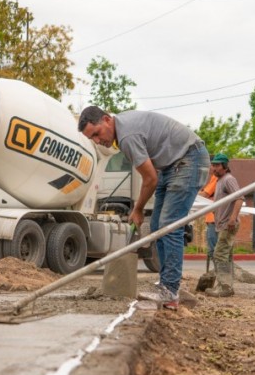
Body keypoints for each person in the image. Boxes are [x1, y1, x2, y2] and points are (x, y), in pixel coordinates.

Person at [78, 106, 210, 310]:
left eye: (96, 133)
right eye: (92, 138)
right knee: (158, 226)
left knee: (169, 226)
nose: (97, 141)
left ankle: (169, 291)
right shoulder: (123, 129)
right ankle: (167, 285)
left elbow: (150, 179)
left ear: (106, 120)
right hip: (171, 165)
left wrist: (137, 209)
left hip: (188, 159)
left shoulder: (127, 136)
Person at [206, 154, 243, 297]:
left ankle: (224, 287)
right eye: (213, 165)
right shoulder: (220, 181)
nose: (213, 168)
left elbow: (239, 198)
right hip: (222, 224)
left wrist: (232, 219)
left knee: (219, 255)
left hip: (228, 224)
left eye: (217, 165)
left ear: (225, 167)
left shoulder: (228, 179)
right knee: (225, 256)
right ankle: (226, 285)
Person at [199, 172, 219, 260]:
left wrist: (192, 193)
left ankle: (220, 268)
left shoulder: (216, 177)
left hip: (214, 219)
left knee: (213, 251)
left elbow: (205, 195)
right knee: (216, 250)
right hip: (213, 218)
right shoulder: (214, 178)